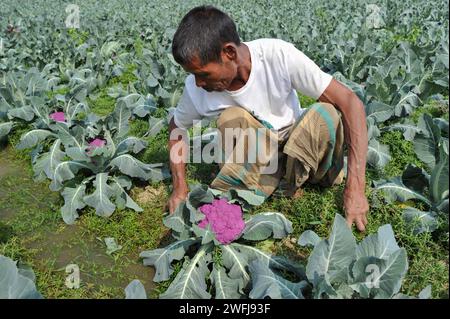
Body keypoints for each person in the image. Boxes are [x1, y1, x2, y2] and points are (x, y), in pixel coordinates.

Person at [166, 5, 369, 232]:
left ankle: (295, 178)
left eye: (203, 74)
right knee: (231, 119)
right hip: (261, 158)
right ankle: (260, 186)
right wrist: (179, 188)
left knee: (326, 114)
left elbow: (351, 104)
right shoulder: (196, 91)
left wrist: (356, 188)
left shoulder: (277, 55)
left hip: (299, 148)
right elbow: (177, 128)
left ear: (229, 53)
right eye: (193, 75)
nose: (198, 83)